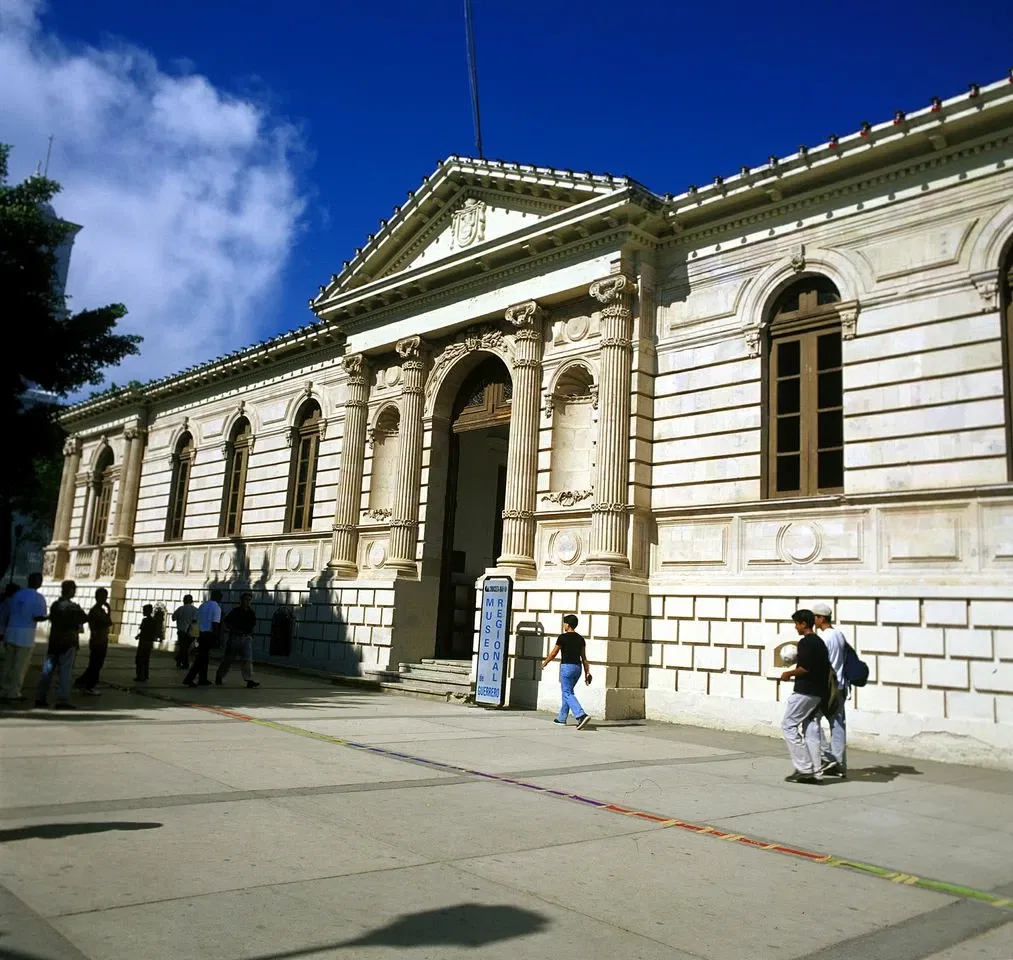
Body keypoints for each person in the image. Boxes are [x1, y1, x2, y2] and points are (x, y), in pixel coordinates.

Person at [779, 609, 832, 784]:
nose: (796, 627)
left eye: (797, 624)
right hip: (818, 692)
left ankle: (804, 768)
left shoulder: (806, 642)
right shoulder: (819, 642)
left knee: (788, 725)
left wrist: (789, 673)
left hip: (805, 691)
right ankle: (816, 772)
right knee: (810, 729)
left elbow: (806, 668)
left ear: (803, 624)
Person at [35, 580, 87, 710]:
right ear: (70, 590)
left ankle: (41, 697)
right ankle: (62, 699)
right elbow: (84, 618)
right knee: (65, 672)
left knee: (48, 670)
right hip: (68, 642)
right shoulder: (73, 607)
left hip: (54, 641)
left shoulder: (55, 605)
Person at [813, 601, 848, 778]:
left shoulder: (825, 638)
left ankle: (827, 757)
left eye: (815, 618)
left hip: (827, 686)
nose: (814, 622)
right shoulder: (839, 635)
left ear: (820, 618)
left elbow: (820, 663)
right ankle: (839, 765)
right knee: (838, 725)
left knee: (810, 720)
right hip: (841, 686)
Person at [540, 614, 592, 730]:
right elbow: (584, 658)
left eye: (564, 623)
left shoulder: (562, 637)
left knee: (567, 693)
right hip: (577, 668)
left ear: (567, 624)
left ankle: (581, 715)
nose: (563, 625)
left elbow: (554, 653)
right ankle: (561, 718)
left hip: (567, 668)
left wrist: (545, 662)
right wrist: (587, 673)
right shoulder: (580, 639)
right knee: (567, 692)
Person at [2, 573, 48, 702]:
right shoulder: (38, 597)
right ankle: (14, 692)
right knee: (20, 665)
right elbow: (38, 616)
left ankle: (4, 689)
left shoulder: (17, 594)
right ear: (38, 582)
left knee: (9, 663)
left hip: (11, 631)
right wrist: (48, 617)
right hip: (25, 634)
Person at [216, 592, 260, 688]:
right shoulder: (235, 611)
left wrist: (252, 634)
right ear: (241, 600)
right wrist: (234, 630)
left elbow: (253, 625)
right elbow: (227, 622)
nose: (248, 602)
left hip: (247, 637)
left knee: (247, 659)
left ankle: (248, 679)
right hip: (235, 637)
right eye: (246, 599)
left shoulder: (251, 613)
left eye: (249, 600)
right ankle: (220, 675)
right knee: (228, 658)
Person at [74, 588, 112, 694]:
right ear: (97, 597)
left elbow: (109, 622)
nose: (104, 599)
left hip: (103, 640)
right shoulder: (94, 611)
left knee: (97, 664)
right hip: (97, 640)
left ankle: (82, 682)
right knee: (95, 664)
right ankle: (89, 685)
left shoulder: (102, 610)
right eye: (102, 596)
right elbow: (102, 624)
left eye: (105, 596)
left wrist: (108, 610)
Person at [183, 590, 222, 688]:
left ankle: (202, 678)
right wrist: (216, 637)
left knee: (204, 657)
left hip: (200, 634)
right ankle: (189, 678)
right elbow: (215, 623)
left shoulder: (203, 605)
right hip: (209, 634)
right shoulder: (216, 607)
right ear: (219, 598)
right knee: (201, 658)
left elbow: (194, 619)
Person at [172, 594, 198, 668]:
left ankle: (181, 661)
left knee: (183, 648)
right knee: (185, 648)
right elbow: (196, 621)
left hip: (181, 631)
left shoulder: (180, 609)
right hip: (191, 632)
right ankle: (180, 661)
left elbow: (173, 618)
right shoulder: (195, 609)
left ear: (184, 600)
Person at [135, 604, 158, 682]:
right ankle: (145, 675)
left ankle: (140, 676)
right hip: (149, 642)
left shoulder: (145, 620)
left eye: (144, 610)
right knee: (146, 659)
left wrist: (138, 636)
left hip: (143, 641)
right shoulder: (154, 621)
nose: (143, 612)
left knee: (140, 658)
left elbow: (143, 630)